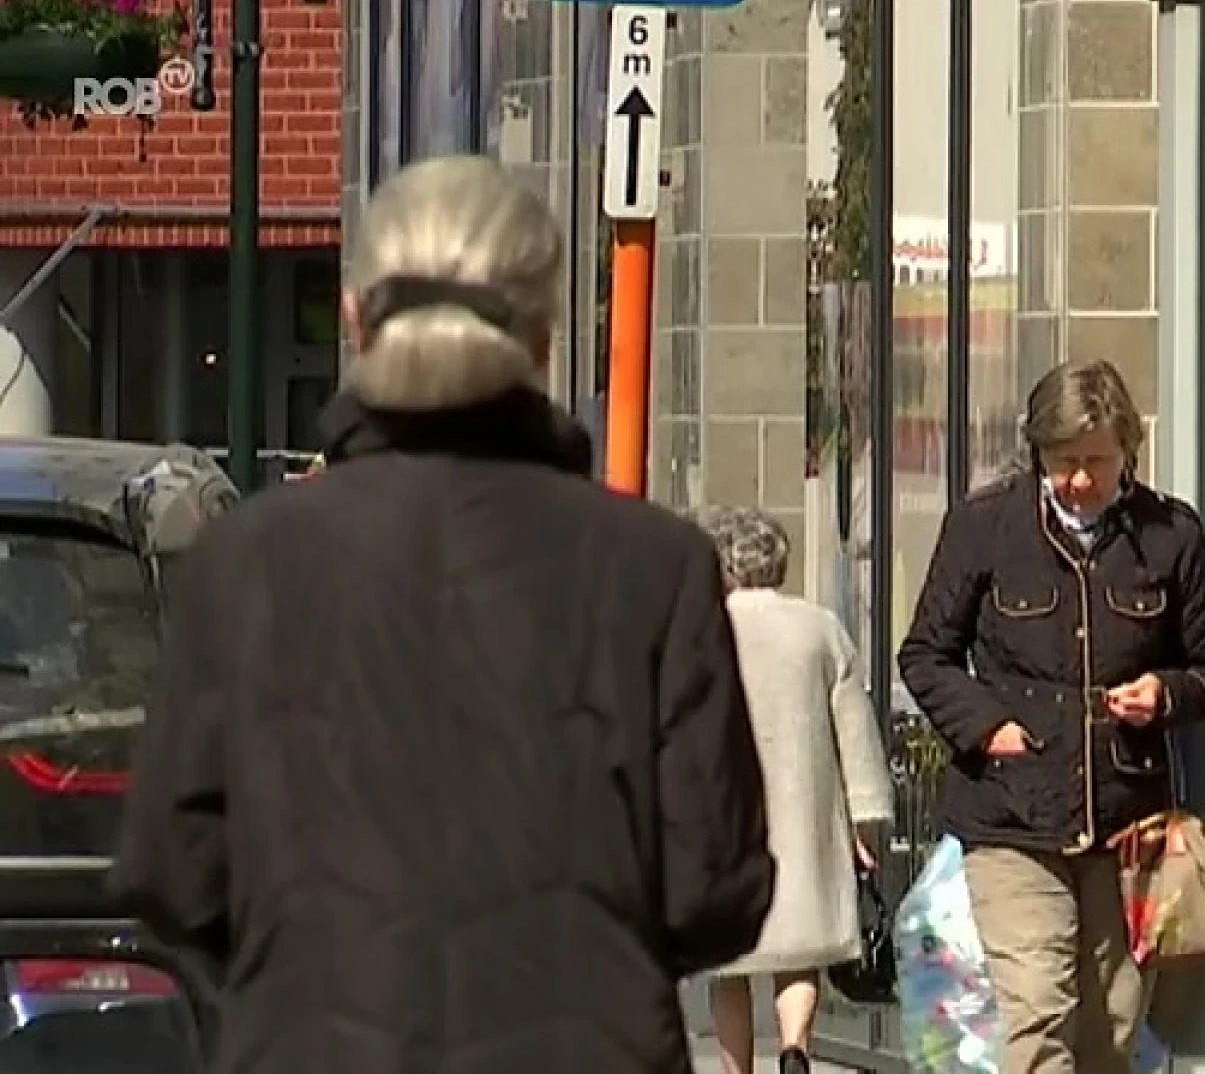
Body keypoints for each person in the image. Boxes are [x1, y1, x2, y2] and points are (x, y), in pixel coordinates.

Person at [109, 155, 775, 1074]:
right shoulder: (653, 569)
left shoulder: (247, 563)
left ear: (355, 318)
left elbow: (171, 872)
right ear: (544, 335)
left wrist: (308, 955)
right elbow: (718, 892)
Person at [898, 359, 1205, 1074]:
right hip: (1011, 815)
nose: (1080, 480)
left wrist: (1164, 695)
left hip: (1128, 822)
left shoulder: (1170, 534)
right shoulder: (984, 525)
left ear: (1128, 451)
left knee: (1112, 1021)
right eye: (1064, 462)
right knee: (1037, 1008)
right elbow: (925, 654)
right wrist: (987, 727)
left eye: (1096, 463)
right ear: (1038, 453)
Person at [695, 507, 894, 1074]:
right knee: (798, 949)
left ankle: (738, 1068)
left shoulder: (700, 625)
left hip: (723, 813)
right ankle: (795, 1050)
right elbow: (854, 731)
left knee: (728, 964)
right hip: (805, 811)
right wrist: (864, 819)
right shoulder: (820, 628)